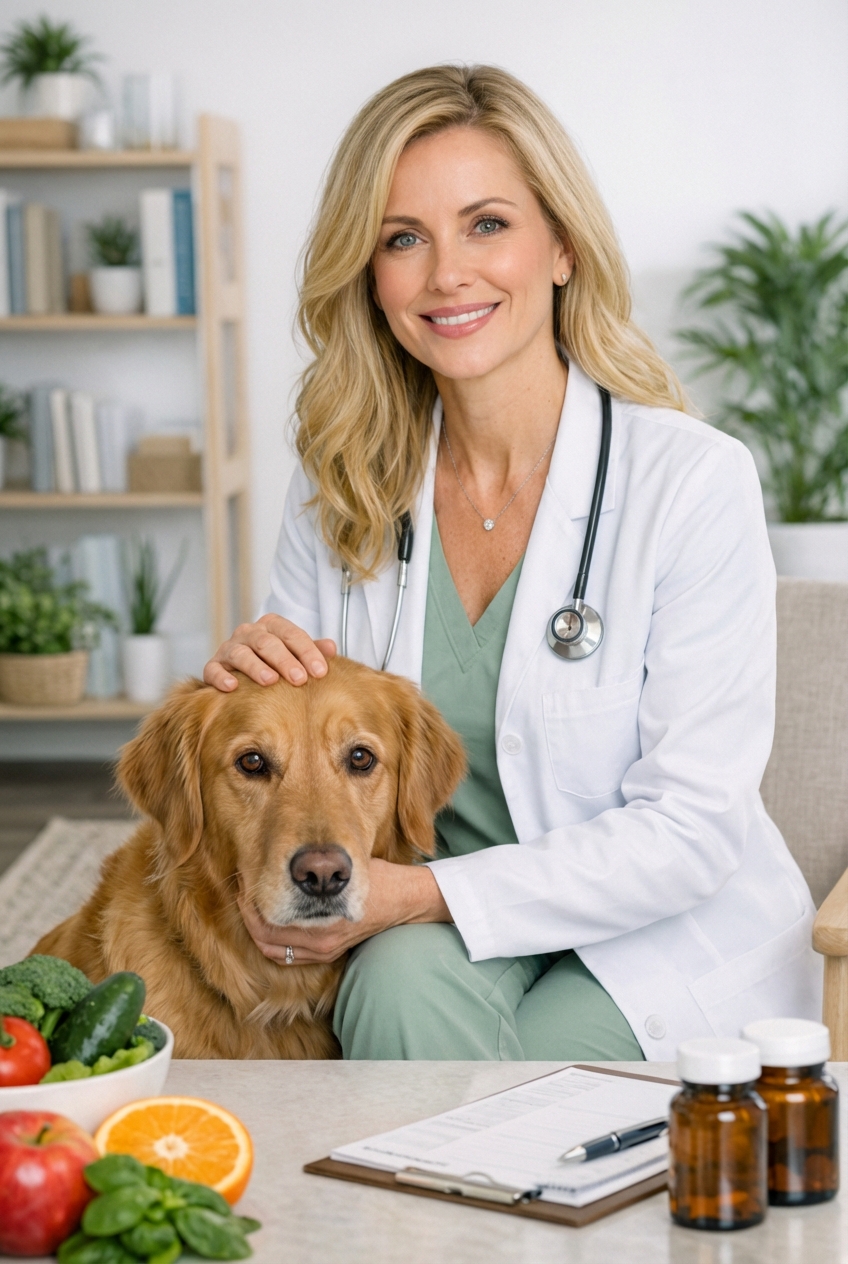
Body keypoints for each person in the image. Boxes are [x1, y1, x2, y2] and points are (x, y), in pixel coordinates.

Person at [204, 64, 820, 1061]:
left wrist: (424, 892)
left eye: (486, 224)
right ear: (370, 277)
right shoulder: (341, 490)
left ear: (562, 246)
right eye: (403, 238)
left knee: (518, 1081)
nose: (447, 273)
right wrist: (249, 679)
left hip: (651, 933)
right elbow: (296, 749)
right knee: (397, 995)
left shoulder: (691, 482)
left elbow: (690, 830)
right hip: (431, 923)